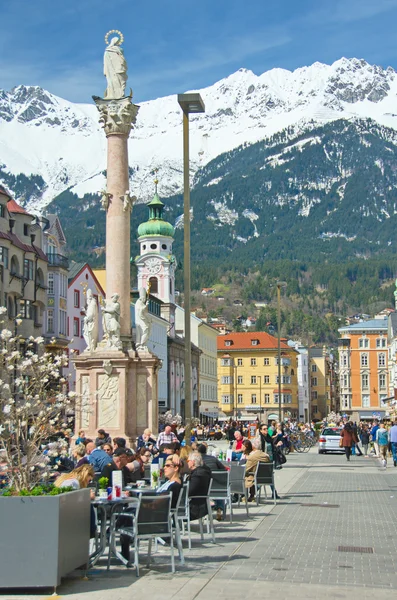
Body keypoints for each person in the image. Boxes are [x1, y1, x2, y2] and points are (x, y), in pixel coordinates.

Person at [197, 443, 226, 521]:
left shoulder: (198, 460)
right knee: (217, 488)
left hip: (205, 487)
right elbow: (223, 469)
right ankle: (219, 508)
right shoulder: (213, 458)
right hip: (217, 486)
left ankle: (204, 511)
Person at [186, 452, 211, 520]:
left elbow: (189, 492)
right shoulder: (204, 471)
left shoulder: (197, 475)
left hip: (195, 509)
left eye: (188, 461)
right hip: (201, 505)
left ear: (193, 462)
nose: (187, 462)